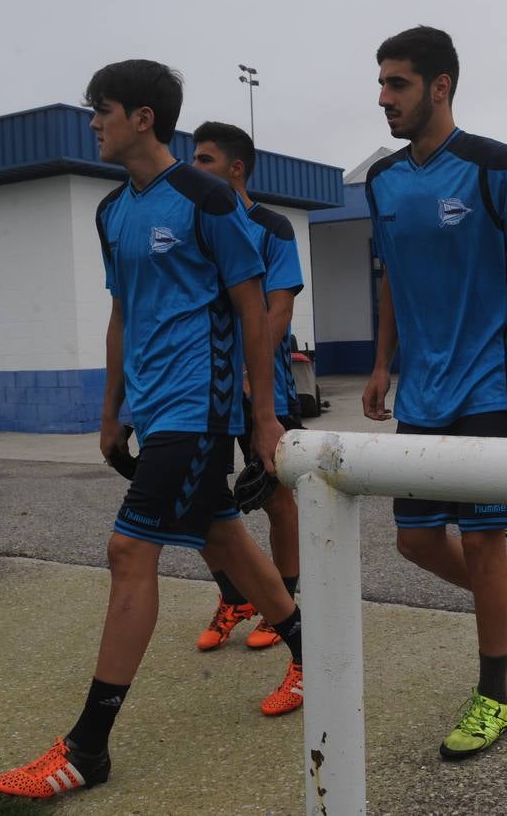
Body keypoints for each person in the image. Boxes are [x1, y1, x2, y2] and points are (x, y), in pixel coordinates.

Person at [0, 61, 302, 800]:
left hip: (201, 406)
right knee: (221, 535)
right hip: (155, 407)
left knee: (130, 548)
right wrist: (110, 411)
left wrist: (262, 416)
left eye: (101, 110)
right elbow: (123, 314)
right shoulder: (111, 212)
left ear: (142, 118)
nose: (92, 122)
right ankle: (315, 656)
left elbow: (252, 307)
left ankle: (87, 748)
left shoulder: (207, 198)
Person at [362, 26, 507, 760]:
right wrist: (382, 364)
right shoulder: (383, 182)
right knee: (414, 540)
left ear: (440, 86)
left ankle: (493, 696)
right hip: (424, 391)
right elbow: (392, 282)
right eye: (381, 84)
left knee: (482, 540)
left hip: (489, 385)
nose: (384, 99)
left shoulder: (493, 167)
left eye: (398, 84)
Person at [189, 121, 306, 652]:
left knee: (276, 500)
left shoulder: (273, 227)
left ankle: (285, 600)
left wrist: (249, 371)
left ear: (236, 168)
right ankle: (234, 596)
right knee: (200, 504)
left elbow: (277, 309)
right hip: (203, 393)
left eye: (205, 159)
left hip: (264, 391)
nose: (194, 167)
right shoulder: (194, 223)